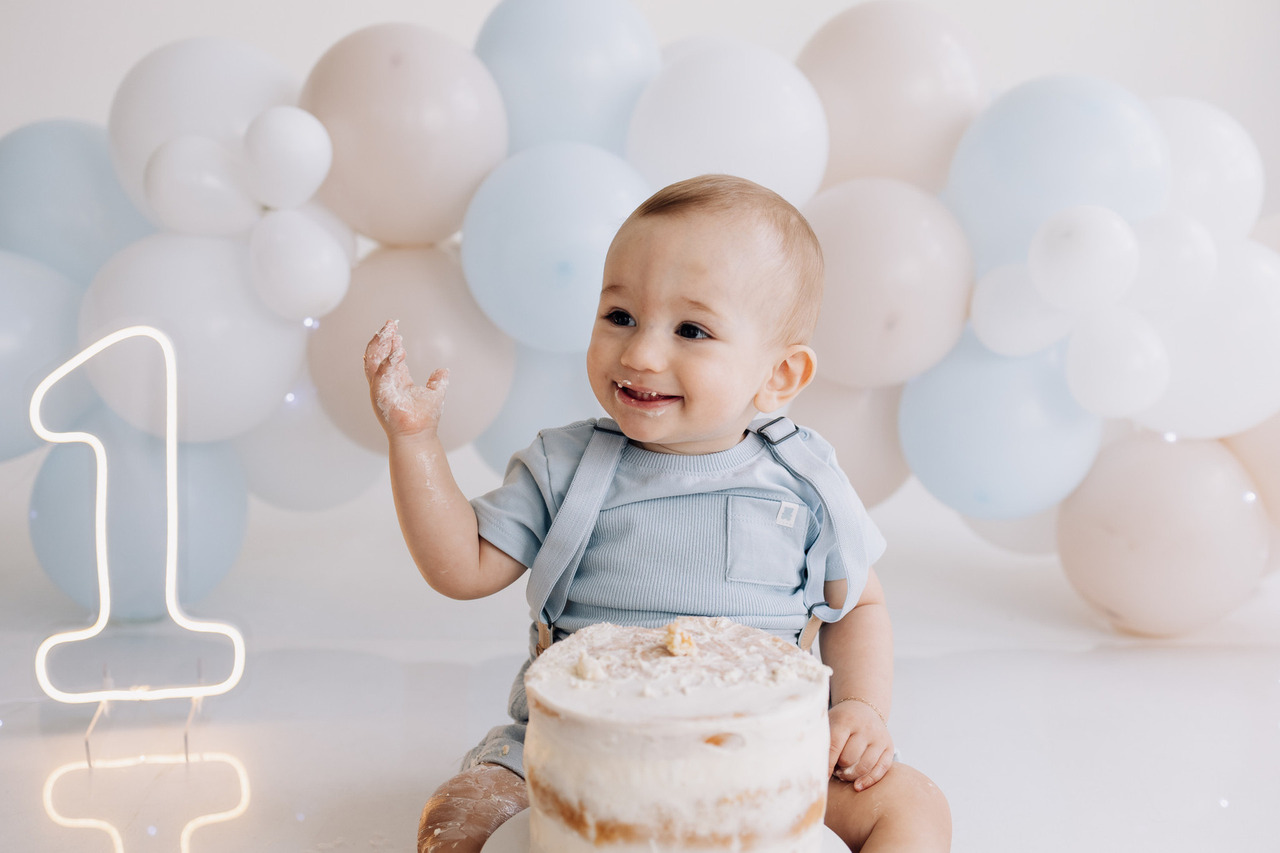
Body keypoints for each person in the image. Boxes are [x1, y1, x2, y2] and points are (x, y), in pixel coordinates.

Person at [363, 174, 951, 852]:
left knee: (911, 806)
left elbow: (860, 608)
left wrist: (859, 708)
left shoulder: (805, 482)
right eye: (620, 316)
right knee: (460, 813)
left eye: (691, 329)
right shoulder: (566, 466)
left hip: (761, 752)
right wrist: (414, 442)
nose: (640, 353)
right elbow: (459, 565)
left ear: (780, 375)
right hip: (574, 752)